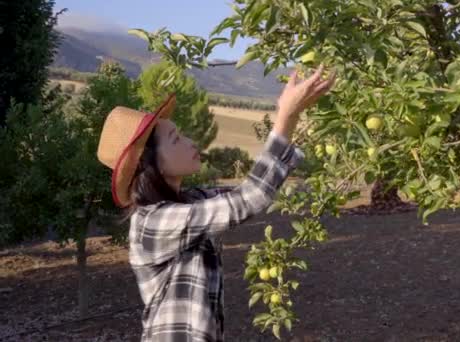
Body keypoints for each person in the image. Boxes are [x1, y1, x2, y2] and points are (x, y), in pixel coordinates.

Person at [96, 65, 335, 341]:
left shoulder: (191, 201)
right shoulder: (151, 221)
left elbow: (250, 190)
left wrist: (291, 120)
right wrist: (286, 116)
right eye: (175, 139)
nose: (190, 141)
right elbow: (249, 199)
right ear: (151, 165)